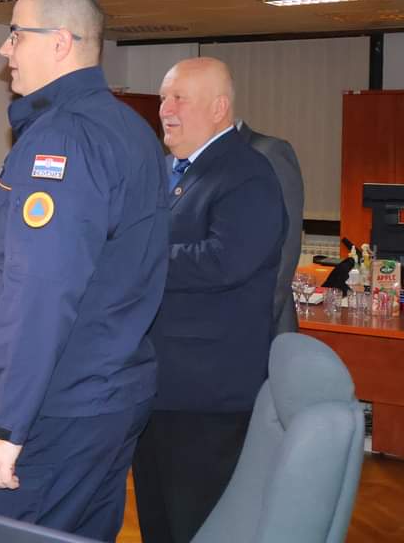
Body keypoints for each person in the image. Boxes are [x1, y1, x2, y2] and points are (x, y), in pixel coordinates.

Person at [0, 0, 168, 541]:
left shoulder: (62, 139)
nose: (5, 50)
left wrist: (9, 424)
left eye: (15, 35)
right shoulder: (130, 128)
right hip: (111, 392)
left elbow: (41, 293)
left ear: (59, 42)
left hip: (58, 403)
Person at [132, 57, 286, 543]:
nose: (165, 109)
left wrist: (136, 260)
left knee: (198, 525)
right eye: (163, 98)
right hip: (157, 384)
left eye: (179, 98)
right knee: (157, 519)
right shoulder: (166, 169)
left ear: (219, 108)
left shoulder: (247, 173)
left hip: (207, 394)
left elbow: (225, 260)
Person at [238, 121, 304, 336]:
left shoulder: (269, 151)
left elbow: (286, 248)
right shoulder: (184, 161)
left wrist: (256, 323)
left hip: (258, 325)